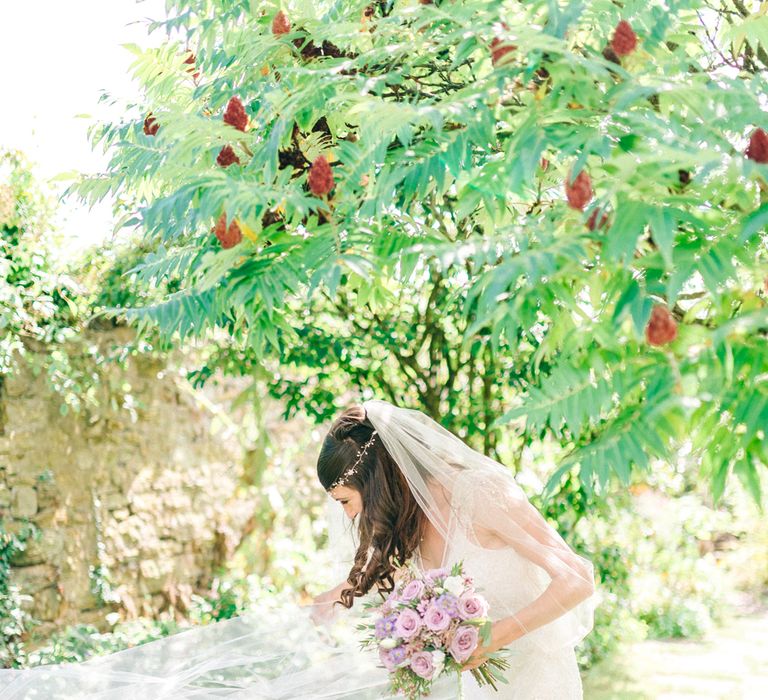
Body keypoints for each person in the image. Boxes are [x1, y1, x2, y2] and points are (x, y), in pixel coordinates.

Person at [313, 399, 599, 698]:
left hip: (536, 682)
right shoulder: (412, 522)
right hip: (480, 690)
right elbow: (395, 582)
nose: (348, 515)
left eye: (345, 501)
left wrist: (491, 640)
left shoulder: (479, 495)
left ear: (374, 483)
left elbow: (576, 580)